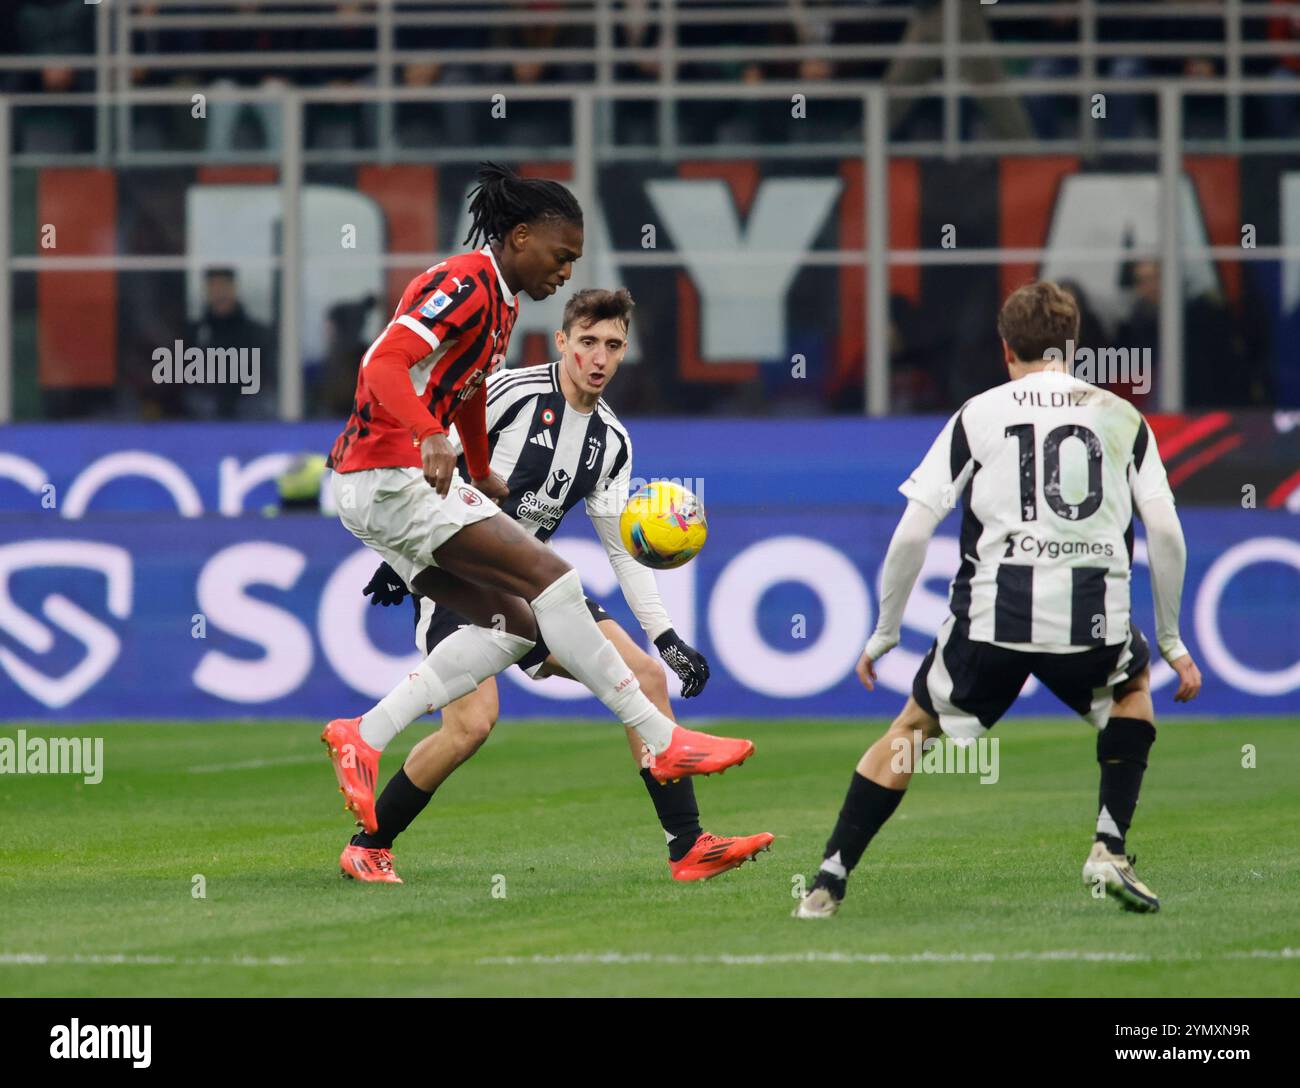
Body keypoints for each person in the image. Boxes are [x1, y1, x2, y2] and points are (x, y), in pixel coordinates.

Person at [322, 163, 755, 844]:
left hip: (436, 510)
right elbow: (382, 362)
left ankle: (689, 843)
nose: (565, 271)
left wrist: (483, 471)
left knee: (565, 640)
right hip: (396, 483)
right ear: (520, 237)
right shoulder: (467, 287)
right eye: (562, 256)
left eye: (614, 345)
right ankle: (661, 741)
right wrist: (433, 443)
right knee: (532, 619)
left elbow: (461, 391)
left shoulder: (518, 326)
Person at [794, 281, 1202, 919]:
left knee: (912, 730)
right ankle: (1108, 846)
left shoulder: (979, 414)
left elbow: (912, 530)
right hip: (1091, 622)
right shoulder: (1124, 418)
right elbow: (1168, 533)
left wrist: (884, 632)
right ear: (1074, 348)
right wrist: (1173, 641)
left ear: (1006, 348)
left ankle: (829, 878)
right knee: (1132, 694)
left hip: (992, 622)